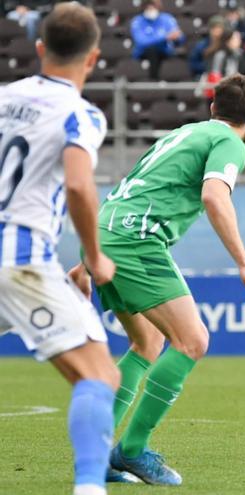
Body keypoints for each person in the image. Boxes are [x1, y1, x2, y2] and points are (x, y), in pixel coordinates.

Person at [67, 74, 245, 485]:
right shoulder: (230, 142)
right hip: (137, 240)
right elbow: (215, 196)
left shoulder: (184, 132)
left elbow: (128, 191)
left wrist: (87, 259)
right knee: (192, 341)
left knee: (147, 343)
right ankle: (133, 450)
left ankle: (100, 455)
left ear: (213, 107)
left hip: (108, 233)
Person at [0, 4, 120, 495]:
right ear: (92, 59)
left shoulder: (4, 97)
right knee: (100, 374)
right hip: (20, 257)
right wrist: (93, 256)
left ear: (40, 48)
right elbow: (77, 186)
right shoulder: (80, 113)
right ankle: (90, 488)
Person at [130, 0, 185, 80]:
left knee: (181, 53)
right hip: (143, 53)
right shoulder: (137, 21)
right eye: (148, 8)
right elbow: (141, 42)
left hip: (164, 51)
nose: (151, 10)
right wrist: (165, 37)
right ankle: (153, 81)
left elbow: (179, 37)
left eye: (153, 7)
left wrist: (177, 37)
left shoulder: (167, 19)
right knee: (152, 50)